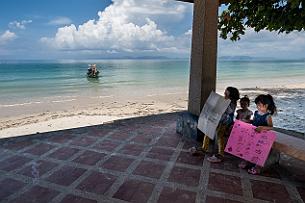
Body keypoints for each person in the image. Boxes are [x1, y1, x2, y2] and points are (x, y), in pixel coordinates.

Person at [190, 86, 240, 163]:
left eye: (226, 94)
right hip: (217, 120)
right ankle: (204, 148)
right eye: (225, 93)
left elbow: (230, 112)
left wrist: (223, 104)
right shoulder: (226, 100)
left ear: (231, 96)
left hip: (224, 122)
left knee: (220, 135)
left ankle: (221, 154)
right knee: (207, 132)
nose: (224, 95)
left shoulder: (232, 103)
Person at [245, 94, 277, 175]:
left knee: (260, 152)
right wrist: (248, 121)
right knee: (251, 149)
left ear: (266, 105)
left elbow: (271, 127)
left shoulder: (268, 116)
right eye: (257, 105)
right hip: (254, 135)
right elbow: (254, 121)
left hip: (262, 138)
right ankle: (248, 162)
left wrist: (262, 127)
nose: (258, 107)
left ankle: (257, 167)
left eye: (260, 105)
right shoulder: (256, 113)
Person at [236, 95, 253, 169]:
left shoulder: (249, 112)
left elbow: (248, 122)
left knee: (244, 142)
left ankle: (243, 155)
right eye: (241, 104)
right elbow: (236, 120)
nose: (243, 105)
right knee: (238, 141)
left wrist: (243, 121)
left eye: (244, 104)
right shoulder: (239, 111)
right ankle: (238, 152)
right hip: (238, 128)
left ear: (248, 105)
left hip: (245, 130)